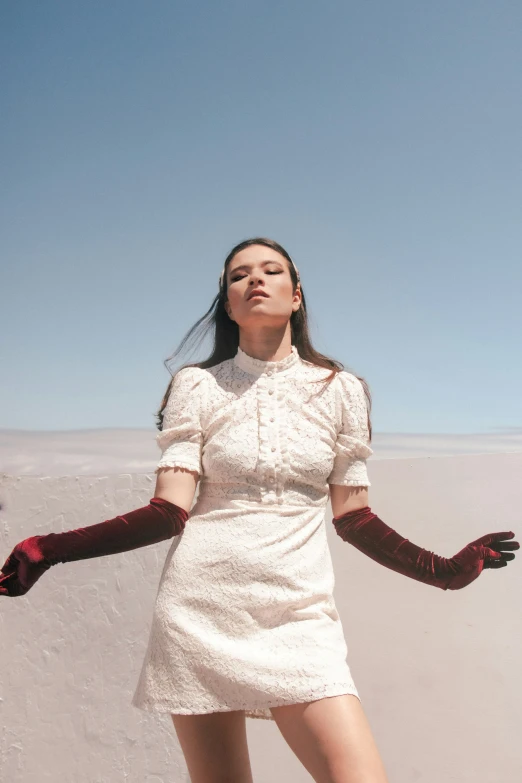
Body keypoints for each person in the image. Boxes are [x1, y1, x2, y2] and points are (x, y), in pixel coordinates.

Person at [1, 237, 518, 783]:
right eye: (238, 275)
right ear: (228, 304)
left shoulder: (342, 390)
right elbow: (167, 512)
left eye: (271, 271)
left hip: (299, 613)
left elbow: (353, 517)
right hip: (200, 610)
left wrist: (443, 571)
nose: (254, 280)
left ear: (296, 295)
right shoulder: (195, 386)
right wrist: (48, 549)